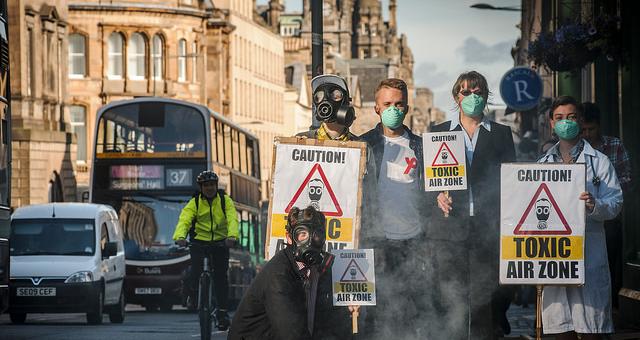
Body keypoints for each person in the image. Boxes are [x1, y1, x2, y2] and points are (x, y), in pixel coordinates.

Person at [429, 71, 516, 339]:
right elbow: (427, 181)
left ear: (486, 96)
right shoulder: (438, 133)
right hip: (450, 231)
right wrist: (437, 196)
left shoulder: (501, 134)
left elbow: (510, 179)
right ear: (457, 96)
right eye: (466, 92)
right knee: (450, 298)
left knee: (484, 297)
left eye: (478, 92)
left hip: (487, 229)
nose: (472, 97)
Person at [538, 96, 622, 340]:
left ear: (581, 121)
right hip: (553, 256)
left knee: (591, 331)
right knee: (560, 331)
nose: (566, 122)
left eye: (572, 117)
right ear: (551, 123)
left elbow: (615, 204)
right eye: (560, 118)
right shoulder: (541, 165)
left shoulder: (600, 162)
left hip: (588, 252)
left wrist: (595, 204)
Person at [359, 78, 431, 338]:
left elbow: (433, 192)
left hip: (414, 240)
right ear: (376, 108)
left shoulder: (422, 147)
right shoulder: (362, 145)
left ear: (407, 108)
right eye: (387, 104)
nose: (393, 109)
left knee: (411, 312)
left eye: (399, 104)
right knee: (375, 312)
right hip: (375, 241)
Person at [228, 206, 351, 340]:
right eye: (303, 234)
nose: (311, 241)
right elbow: (292, 334)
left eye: (317, 235)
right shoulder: (279, 275)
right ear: (289, 238)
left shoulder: (318, 271)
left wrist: (349, 314)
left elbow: (329, 323)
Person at [172, 170, 238, 330]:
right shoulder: (194, 203)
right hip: (199, 242)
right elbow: (185, 220)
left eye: (212, 185)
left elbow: (232, 219)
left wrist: (232, 236)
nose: (210, 188)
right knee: (195, 271)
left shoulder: (225, 201)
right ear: (201, 187)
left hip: (220, 243)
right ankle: (193, 296)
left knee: (221, 277)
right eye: (206, 185)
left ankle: (222, 313)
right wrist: (180, 237)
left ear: (216, 186)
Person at [581, 102, 632, 307]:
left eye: (591, 129)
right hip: (580, 222)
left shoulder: (614, 145)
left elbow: (628, 179)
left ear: (599, 126)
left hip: (609, 219)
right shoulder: (572, 150)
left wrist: (604, 191)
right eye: (583, 129)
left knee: (608, 265)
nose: (587, 134)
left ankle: (609, 308)